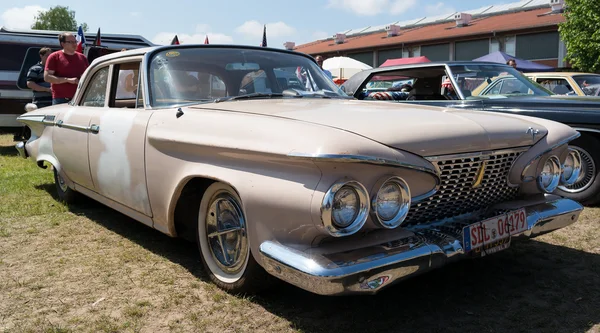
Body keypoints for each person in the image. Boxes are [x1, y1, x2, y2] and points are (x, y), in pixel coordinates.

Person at [44, 32, 89, 105]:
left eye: (75, 41)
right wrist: (67, 80)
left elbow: (87, 75)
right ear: (62, 44)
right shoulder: (54, 57)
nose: (74, 44)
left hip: (81, 98)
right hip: (61, 99)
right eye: (70, 42)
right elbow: (47, 77)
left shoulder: (82, 57)